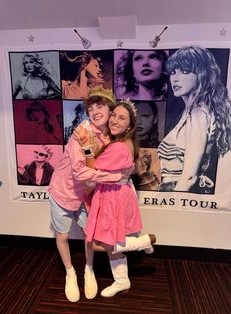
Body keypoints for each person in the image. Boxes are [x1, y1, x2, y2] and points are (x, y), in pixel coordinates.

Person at [48, 86, 130, 303]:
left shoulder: (111, 137)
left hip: (88, 195)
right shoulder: (82, 133)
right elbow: (81, 171)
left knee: (89, 235)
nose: (94, 111)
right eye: (91, 108)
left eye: (100, 106)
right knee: (63, 236)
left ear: (110, 109)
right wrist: (116, 178)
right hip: (63, 191)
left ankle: (89, 268)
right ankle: (70, 272)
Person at [75, 100, 156, 298]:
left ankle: (145, 241)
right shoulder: (119, 142)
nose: (114, 120)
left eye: (122, 118)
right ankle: (121, 280)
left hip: (114, 198)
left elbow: (93, 166)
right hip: (112, 194)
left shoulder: (120, 147)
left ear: (129, 125)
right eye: (114, 115)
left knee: (98, 242)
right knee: (111, 241)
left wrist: (85, 145)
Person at [157, 45, 231, 193]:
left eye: (185, 71)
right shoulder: (193, 111)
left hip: (179, 191)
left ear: (202, 74)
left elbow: (190, 176)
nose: (176, 79)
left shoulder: (198, 113)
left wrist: (174, 204)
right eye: (173, 72)